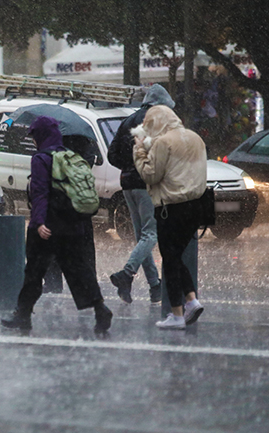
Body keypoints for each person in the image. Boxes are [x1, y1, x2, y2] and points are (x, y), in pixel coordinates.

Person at [1, 116, 112, 332]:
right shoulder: (70, 157)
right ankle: (101, 309)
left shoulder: (42, 159)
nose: (33, 141)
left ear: (40, 136)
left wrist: (38, 222)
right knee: (79, 270)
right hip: (73, 225)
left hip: (49, 228)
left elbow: (40, 193)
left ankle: (23, 315)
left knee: (34, 272)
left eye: (34, 136)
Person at [133, 105, 206, 330]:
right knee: (175, 257)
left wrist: (139, 151)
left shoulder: (164, 142)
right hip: (197, 206)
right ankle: (191, 300)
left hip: (171, 207)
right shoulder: (196, 138)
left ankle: (177, 314)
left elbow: (150, 174)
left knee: (170, 259)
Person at [107, 84, 175, 304]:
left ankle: (155, 286)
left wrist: (128, 167)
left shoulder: (129, 120)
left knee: (142, 236)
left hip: (127, 184)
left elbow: (112, 154)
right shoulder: (158, 121)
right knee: (151, 233)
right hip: (147, 183)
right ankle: (126, 274)